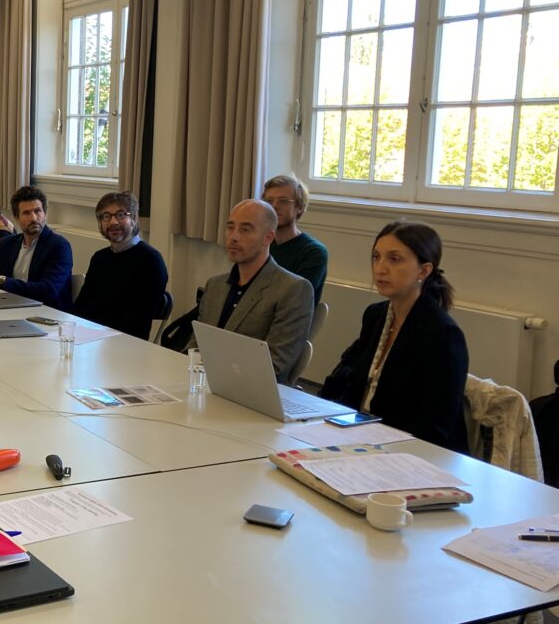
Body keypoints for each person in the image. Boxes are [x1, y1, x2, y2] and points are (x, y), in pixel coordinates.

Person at [320, 222, 469, 453]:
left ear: (424, 271)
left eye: (394, 259)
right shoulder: (375, 315)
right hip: (363, 437)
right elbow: (348, 379)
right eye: (376, 257)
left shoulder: (443, 334)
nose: (380, 268)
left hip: (414, 453)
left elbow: (435, 426)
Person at [186, 200, 314, 384]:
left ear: (268, 238)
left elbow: (275, 364)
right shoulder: (216, 285)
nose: (234, 237)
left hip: (253, 395)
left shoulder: (292, 289)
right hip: (206, 385)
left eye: (246, 230)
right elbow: (195, 346)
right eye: (230, 228)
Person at [71, 191, 168, 340]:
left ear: (134, 219)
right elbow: (82, 306)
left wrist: (95, 334)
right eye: (106, 216)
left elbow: (138, 320)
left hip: (126, 344)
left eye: (121, 215)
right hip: (89, 338)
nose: (113, 222)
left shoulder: (150, 260)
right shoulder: (99, 258)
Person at [262, 174, 329, 303]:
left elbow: (295, 298)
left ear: (300, 207)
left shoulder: (314, 252)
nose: (274, 206)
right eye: (269, 200)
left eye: (283, 200)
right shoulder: (260, 242)